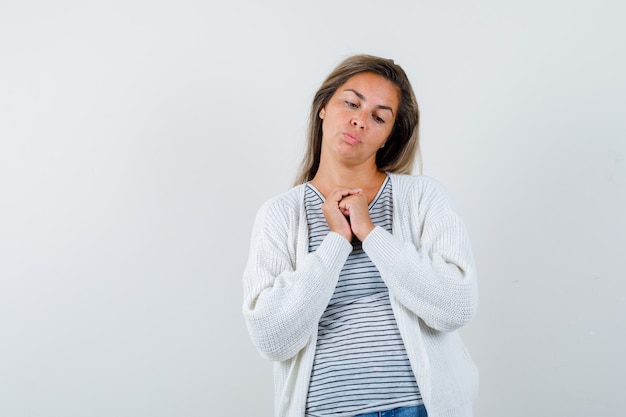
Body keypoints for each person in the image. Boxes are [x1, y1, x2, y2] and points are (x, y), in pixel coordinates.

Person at [242, 54, 478, 417]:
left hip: (417, 408)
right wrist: (336, 241)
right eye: (351, 103)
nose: (359, 120)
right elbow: (271, 337)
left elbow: (457, 305)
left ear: (389, 135)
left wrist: (370, 233)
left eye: (379, 117)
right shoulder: (280, 214)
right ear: (323, 107)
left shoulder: (422, 198)